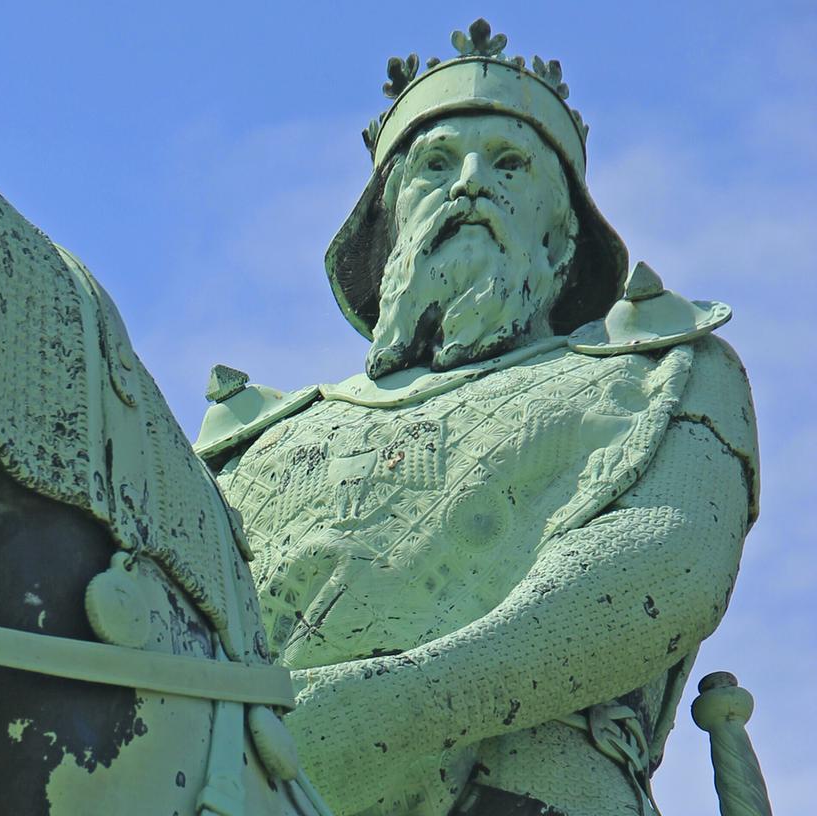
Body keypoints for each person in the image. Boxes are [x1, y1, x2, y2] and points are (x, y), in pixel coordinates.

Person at [196, 19, 758, 816]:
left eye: (508, 163)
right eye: (433, 164)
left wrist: (373, 717)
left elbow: (664, 571)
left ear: (565, 234)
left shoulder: (660, 377)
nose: (467, 184)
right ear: (385, 223)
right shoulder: (248, 449)